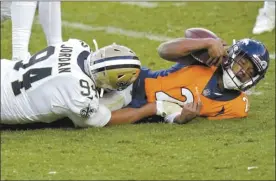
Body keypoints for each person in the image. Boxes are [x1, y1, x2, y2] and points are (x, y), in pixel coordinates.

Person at [1, 38, 192, 127]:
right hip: (4, 105)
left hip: (4, 70)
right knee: (120, 98)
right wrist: (152, 108)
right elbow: (106, 120)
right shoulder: (79, 93)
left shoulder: (76, 45)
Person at [100, 37, 270, 124]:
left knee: (93, 119)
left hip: (155, 111)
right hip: (136, 83)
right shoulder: (208, 60)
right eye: (242, 63)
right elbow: (164, 50)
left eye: (250, 71)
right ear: (231, 56)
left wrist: (184, 118)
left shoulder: (238, 107)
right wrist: (207, 42)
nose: (242, 72)